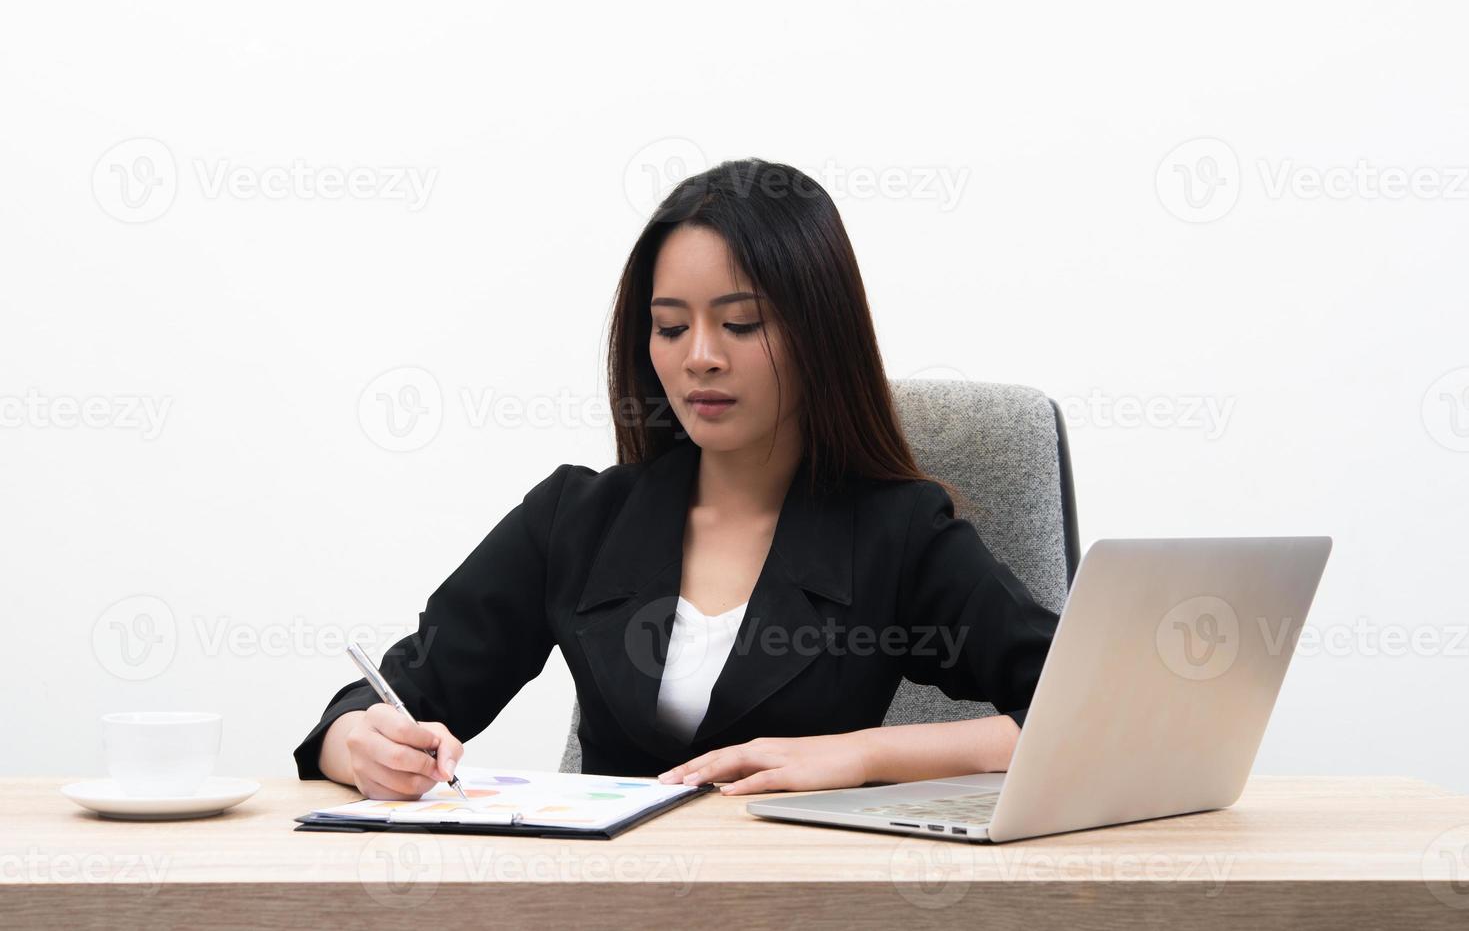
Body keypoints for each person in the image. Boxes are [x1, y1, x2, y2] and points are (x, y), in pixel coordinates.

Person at [293, 158, 1059, 800]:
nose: (699, 356)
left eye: (740, 323)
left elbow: (1092, 713)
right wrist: (359, 744)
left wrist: (862, 755)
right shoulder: (575, 519)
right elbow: (379, 703)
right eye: (669, 326)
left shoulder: (897, 531)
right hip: (611, 904)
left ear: (819, 334)